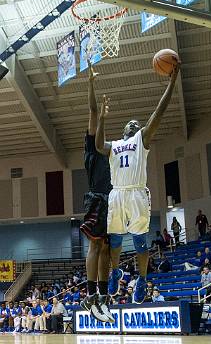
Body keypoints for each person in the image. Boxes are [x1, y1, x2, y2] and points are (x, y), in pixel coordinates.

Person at [96, 63, 180, 304]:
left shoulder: (141, 138)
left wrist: (171, 83)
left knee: (140, 241)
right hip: (117, 194)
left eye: (136, 123)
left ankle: (142, 280)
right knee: (115, 241)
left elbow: (158, 113)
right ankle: (115, 271)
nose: (134, 124)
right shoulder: (113, 145)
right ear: (124, 130)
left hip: (136, 194)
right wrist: (101, 117)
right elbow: (98, 144)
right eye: (130, 123)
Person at [79, 63, 113, 323]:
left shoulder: (108, 149)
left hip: (111, 199)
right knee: (95, 244)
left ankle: (102, 295)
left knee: (105, 249)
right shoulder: (92, 148)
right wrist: (90, 82)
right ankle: (90, 292)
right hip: (96, 198)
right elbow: (91, 110)